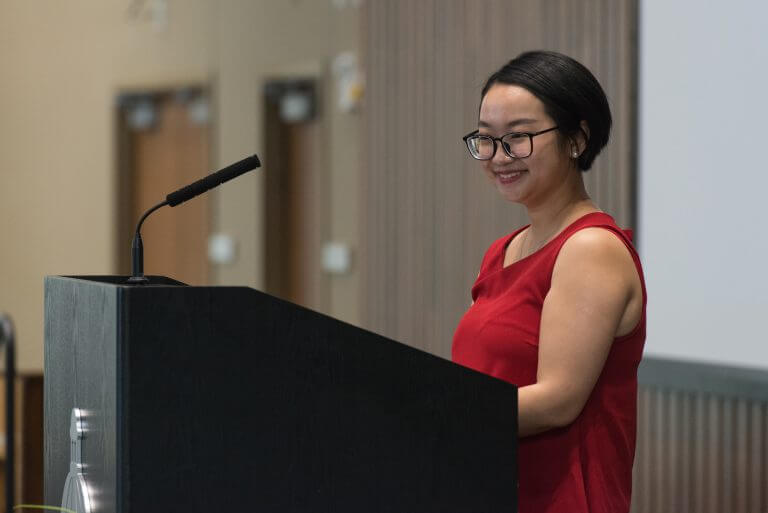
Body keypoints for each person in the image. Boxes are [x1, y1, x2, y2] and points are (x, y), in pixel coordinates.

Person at [452, 51, 646, 513]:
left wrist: (432, 411)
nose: (499, 157)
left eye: (518, 138)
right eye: (486, 139)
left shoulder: (590, 248)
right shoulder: (503, 250)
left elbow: (558, 400)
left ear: (576, 138)